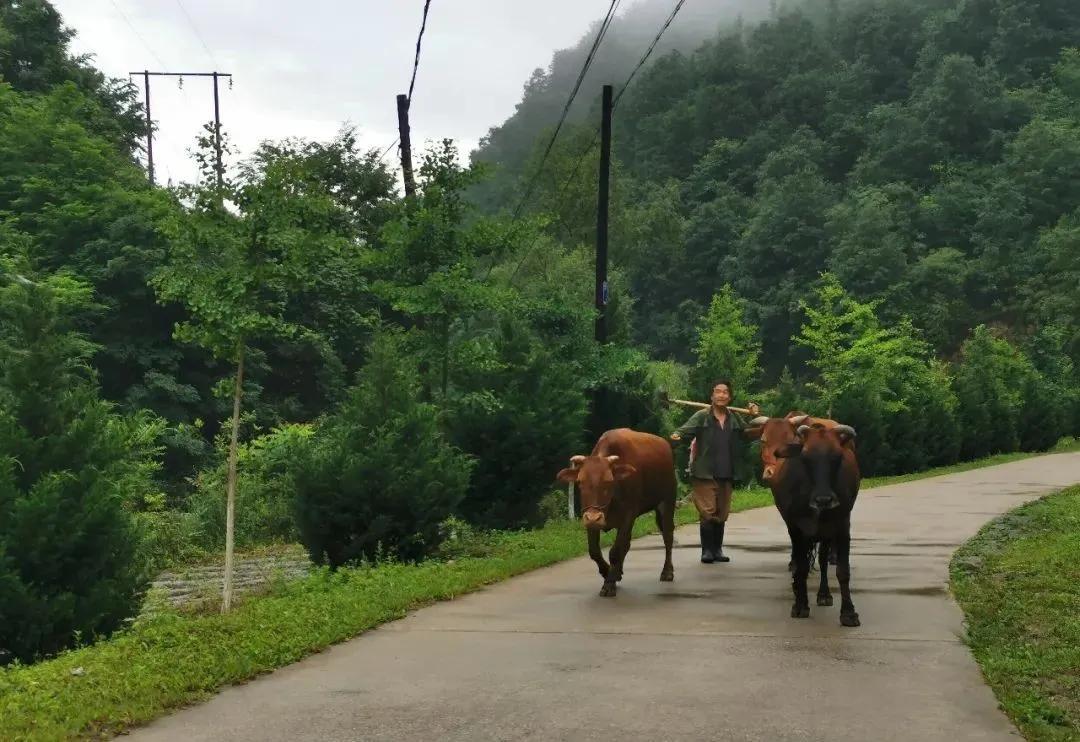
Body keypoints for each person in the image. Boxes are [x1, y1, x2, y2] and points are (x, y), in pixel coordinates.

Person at [670, 380, 759, 564]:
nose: (721, 395)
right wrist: (676, 436)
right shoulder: (702, 416)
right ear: (712, 396)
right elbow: (684, 431)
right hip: (705, 472)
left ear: (729, 397)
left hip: (726, 472)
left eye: (725, 392)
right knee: (707, 512)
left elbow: (748, 433)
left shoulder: (734, 418)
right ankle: (707, 551)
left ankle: (718, 550)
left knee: (721, 513)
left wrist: (753, 415)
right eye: (717, 392)